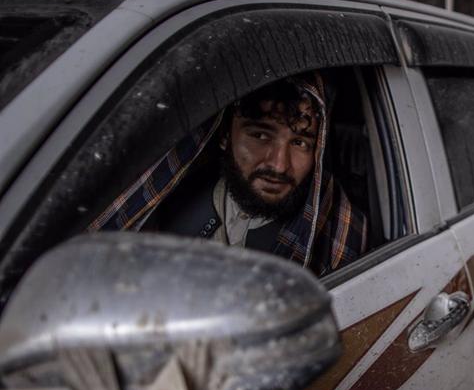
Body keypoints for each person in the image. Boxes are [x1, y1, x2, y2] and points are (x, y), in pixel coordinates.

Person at [88, 73, 367, 275]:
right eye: (260, 135)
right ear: (225, 136)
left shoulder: (338, 237)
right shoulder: (170, 197)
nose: (279, 165)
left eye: (300, 143)